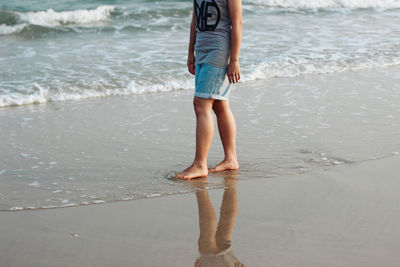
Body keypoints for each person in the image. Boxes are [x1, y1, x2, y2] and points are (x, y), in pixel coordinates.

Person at [174, 0, 242, 179]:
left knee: (201, 104)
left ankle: (200, 164)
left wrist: (234, 60)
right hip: (201, 50)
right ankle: (231, 159)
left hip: (219, 51)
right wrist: (190, 52)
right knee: (219, 105)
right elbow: (195, 19)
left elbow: (237, 23)